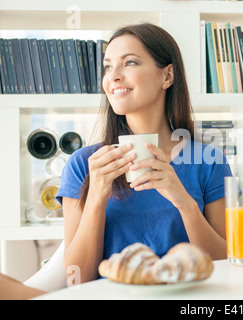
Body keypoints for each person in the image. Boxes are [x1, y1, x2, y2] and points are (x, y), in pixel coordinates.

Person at [56, 23, 232, 283]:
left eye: (129, 63)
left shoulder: (208, 162)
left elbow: (226, 267)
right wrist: (96, 197)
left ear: (167, 76)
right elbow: (75, 279)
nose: (113, 76)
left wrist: (185, 204)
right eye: (107, 66)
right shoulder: (84, 165)